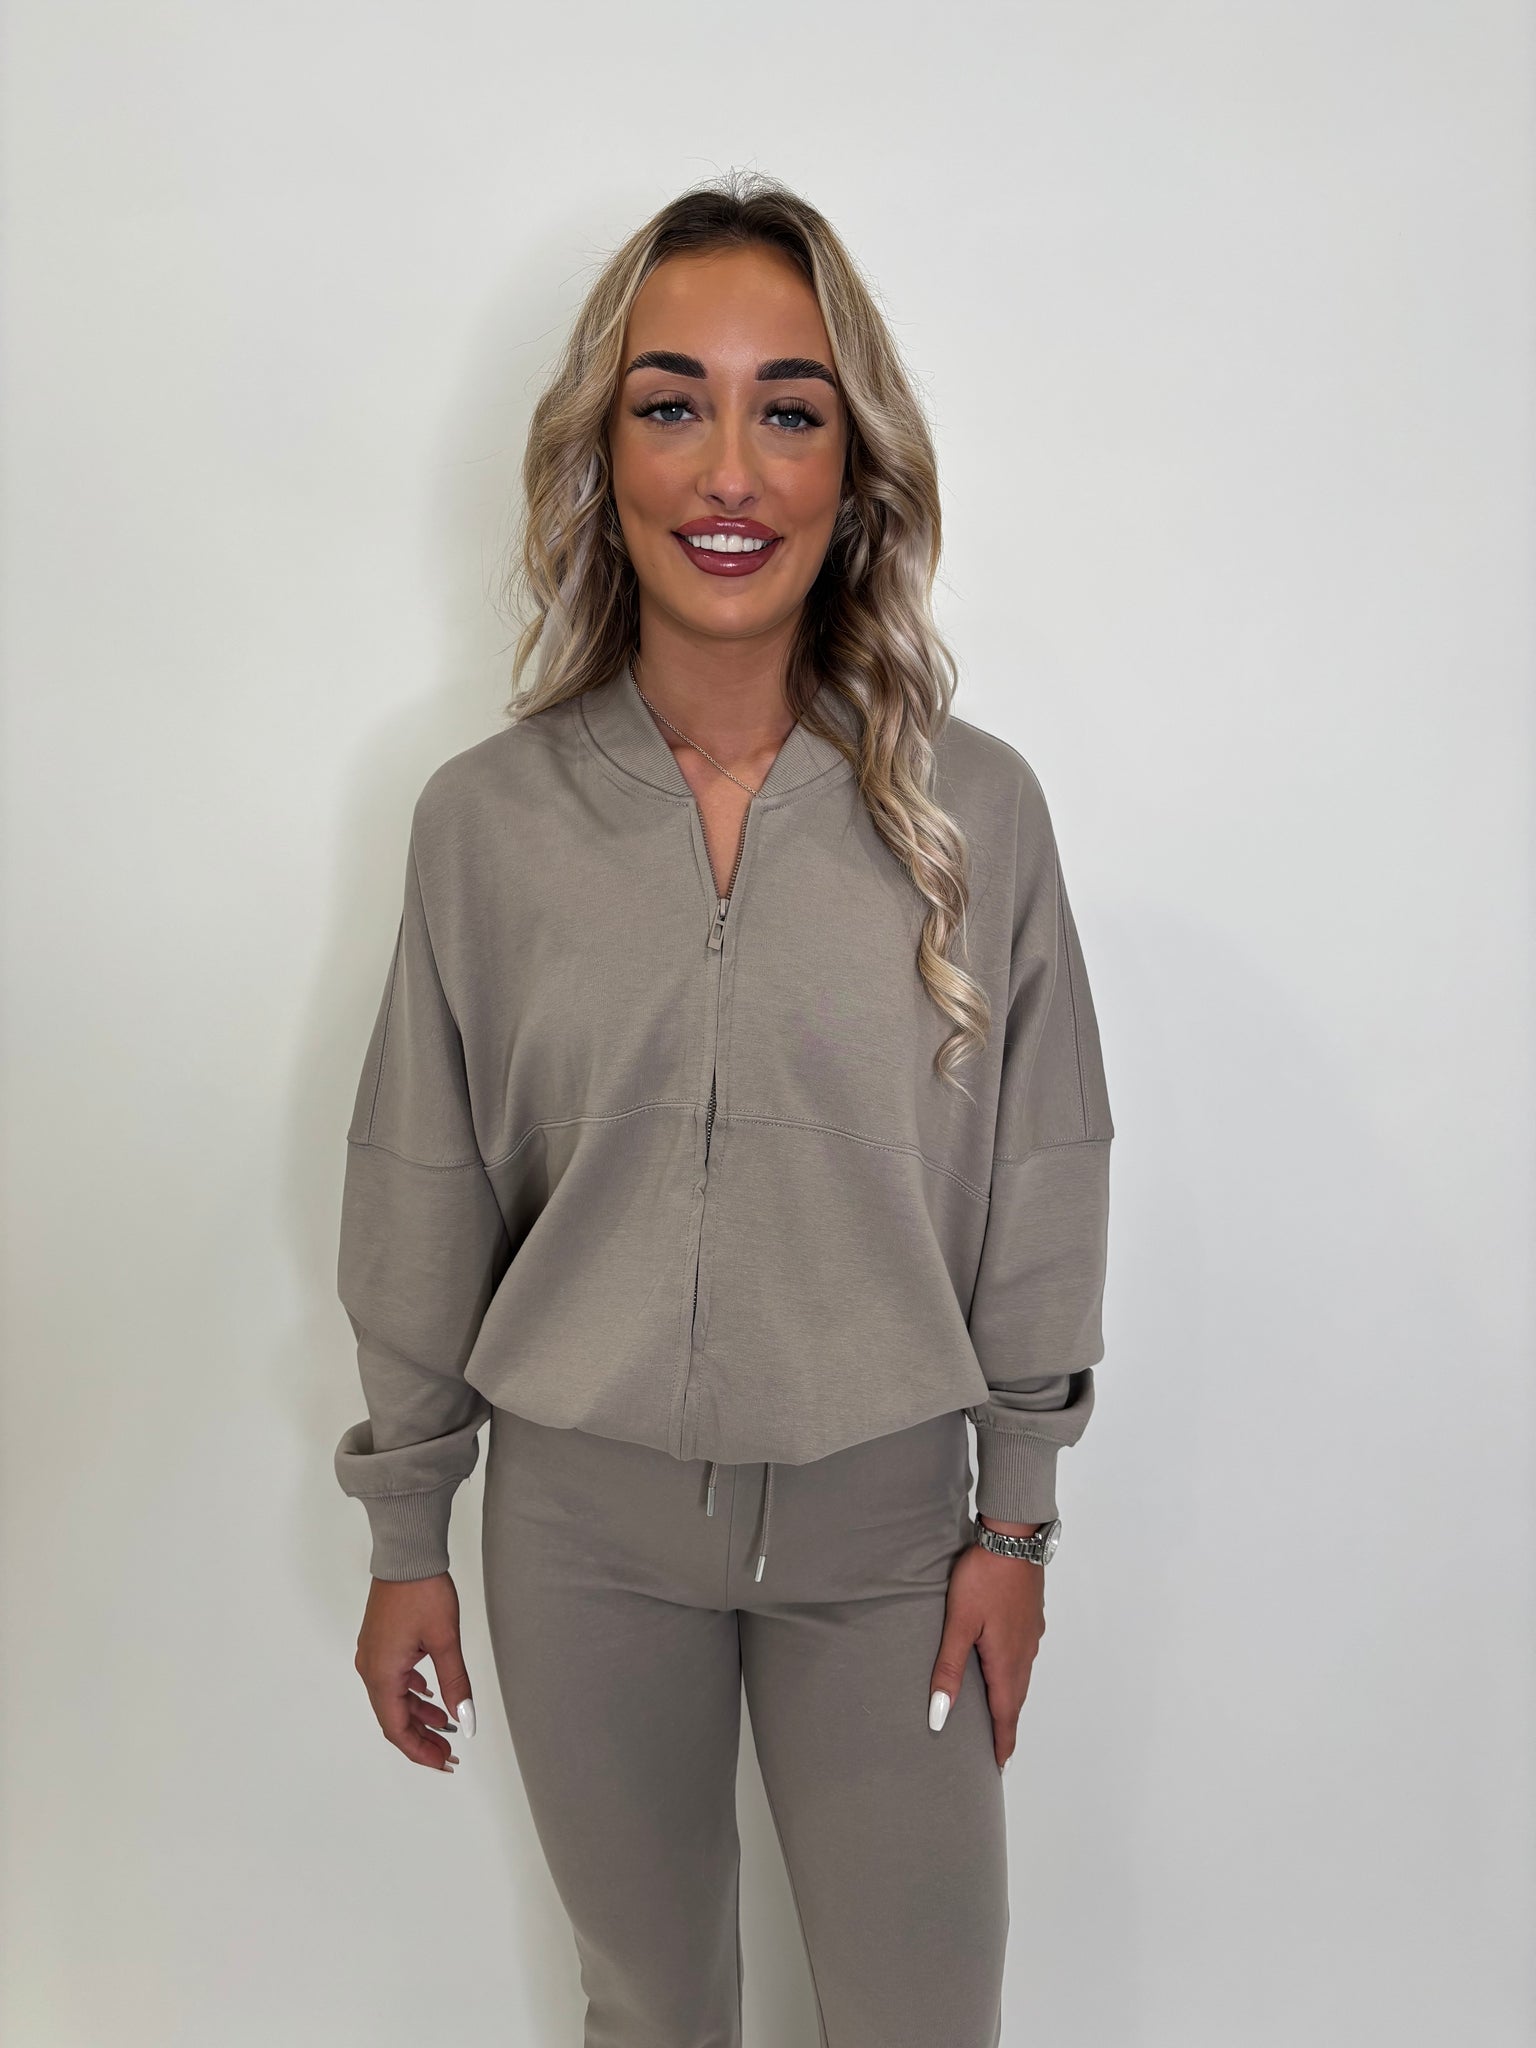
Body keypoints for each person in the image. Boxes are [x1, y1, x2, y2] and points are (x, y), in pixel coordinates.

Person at [333, 170, 1114, 2048]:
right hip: (581, 1540)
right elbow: (421, 1179)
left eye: (792, 411)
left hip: (891, 1537)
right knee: (652, 2009)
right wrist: (408, 1529)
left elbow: (1046, 1173)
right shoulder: (487, 821)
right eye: (673, 405)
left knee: (923, 2013)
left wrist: (1014, 1523)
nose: (732, 472)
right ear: (604, 455)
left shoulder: (977, 815)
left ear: (858, 468)